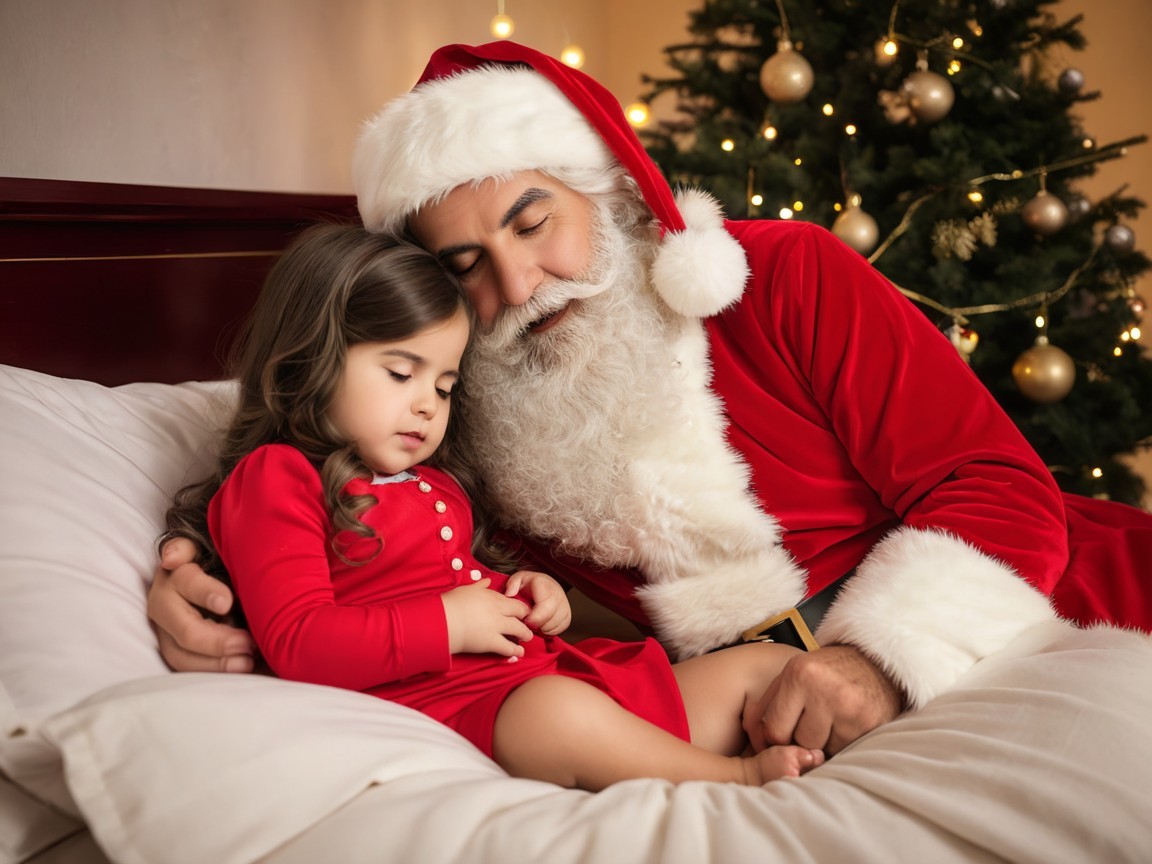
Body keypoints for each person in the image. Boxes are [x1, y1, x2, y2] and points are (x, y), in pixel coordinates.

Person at [150, 41, 1152, 757]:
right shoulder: (465, 411)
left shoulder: (786, 275)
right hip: (751, 707)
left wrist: (878, 663)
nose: (522, 284)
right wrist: (200, 565)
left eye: (535, 221)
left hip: (1039, 610)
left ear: (612, 193)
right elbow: (338, 490)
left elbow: (991, 485)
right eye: (469, 266)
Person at [164, 221, 824, 790]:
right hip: (478, 713)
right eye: (401, 373)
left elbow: (464, 581)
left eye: (445, 384)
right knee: (557, 718)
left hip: (557, 676)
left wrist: (527, 591)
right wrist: (447, 625)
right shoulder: (277, 478)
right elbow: (299, 643)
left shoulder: (438, 482)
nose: (427, 404)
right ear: (312, 359)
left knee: (775, 670)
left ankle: (696, 750)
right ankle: (733, 781)